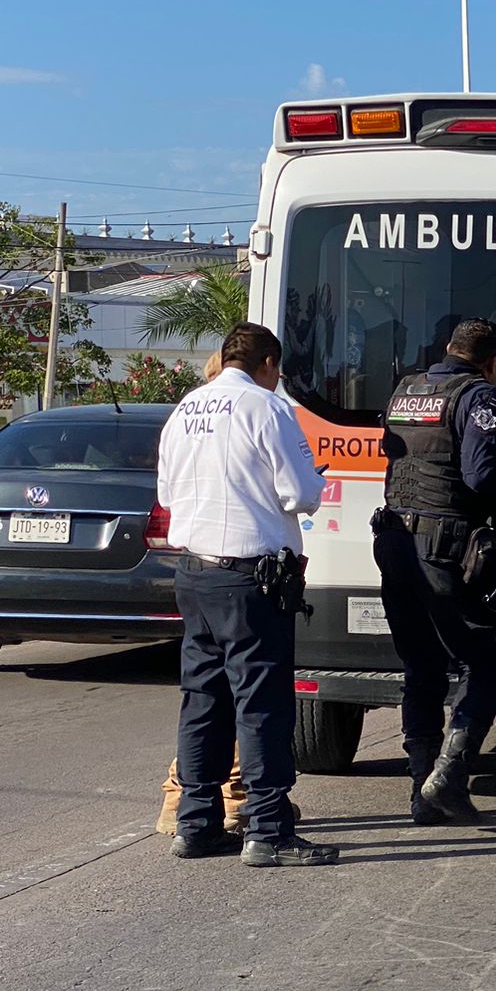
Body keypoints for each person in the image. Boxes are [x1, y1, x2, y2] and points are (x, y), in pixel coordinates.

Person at [157, 322, 336, 867]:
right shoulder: (267, 408)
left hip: (193, 573)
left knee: (203, 701)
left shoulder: (185, 409)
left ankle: (197, 823)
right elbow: (302, 492)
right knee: (261, 704)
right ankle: (267, 829)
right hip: (249, 577)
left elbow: (167, 492)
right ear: (268, 364)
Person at [372, 317, 496, 825]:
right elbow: (482, 477)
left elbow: (392, 454)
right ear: (493, 361)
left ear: (449, 349)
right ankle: (449, 775)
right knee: (494, 660)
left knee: (422, 666)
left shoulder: (407, 389)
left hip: (393, 542)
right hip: (443, 548)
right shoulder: (479, 398)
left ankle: (421, 790)